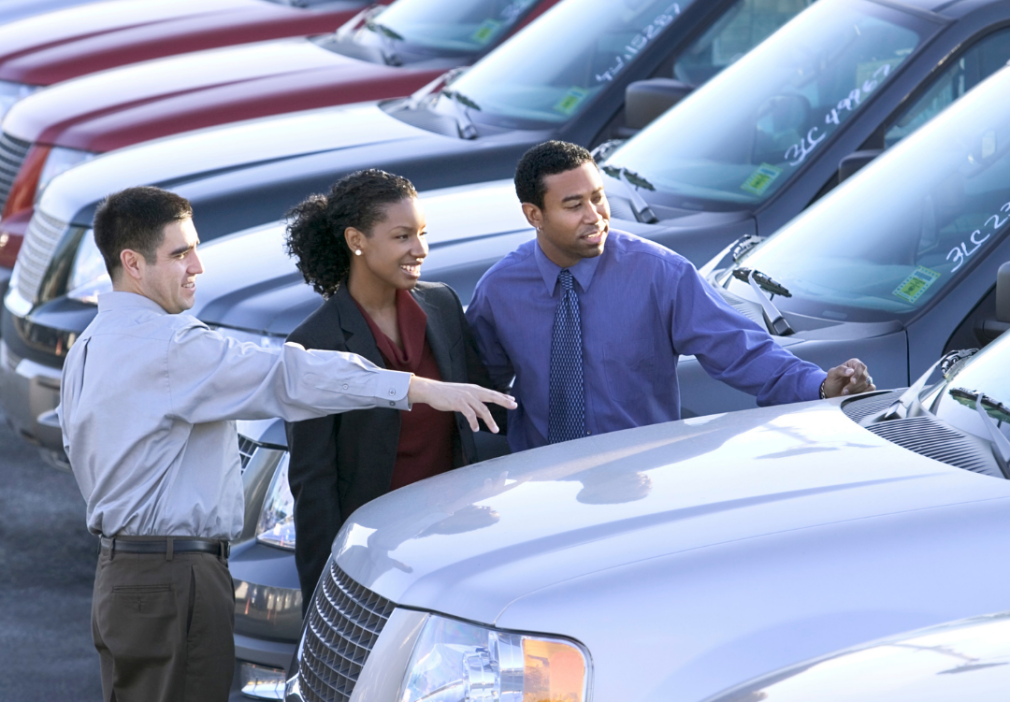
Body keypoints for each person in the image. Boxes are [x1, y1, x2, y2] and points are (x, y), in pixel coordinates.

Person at [57, 186, 514, 702]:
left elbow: (78, 447)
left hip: (120, 578)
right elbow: (288, 376)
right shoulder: (170, 347)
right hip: (173, 579)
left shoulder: (88, 346)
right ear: (132, 264)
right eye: (180, 253)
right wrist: (418, 387)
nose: (197, 267)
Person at [466, 141, 874, 452]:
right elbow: (477, 389)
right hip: (537, 487)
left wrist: (821, 387)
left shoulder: (659, 273)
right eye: (574, 205)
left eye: (597, 197)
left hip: (640, 479)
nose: (594, 216)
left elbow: (741, 351)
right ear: (534, 215)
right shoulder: (501, 290)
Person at [284, 169, 507, 610]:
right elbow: (314, 488)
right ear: (356, 240)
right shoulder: (315, 343)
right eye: (403, 236)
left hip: (452, 542)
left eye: (422, 234)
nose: (419, 250)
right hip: (377, 559)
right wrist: (322, 600)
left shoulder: (441, 304)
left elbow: (484, 416)